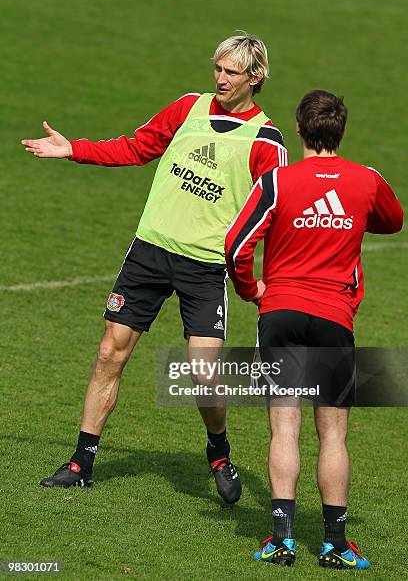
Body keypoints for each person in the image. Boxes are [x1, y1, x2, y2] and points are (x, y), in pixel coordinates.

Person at [21, 33, 288, 503]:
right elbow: (138, 146)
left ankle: (218, 450)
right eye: (218, 68)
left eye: (231, 71)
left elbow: (275, 211)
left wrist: (265, 275)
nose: (220, 78)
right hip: (150, 251)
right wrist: (74, 150)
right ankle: (82, 461)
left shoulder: (266, 140)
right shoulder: (188, 107)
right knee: (109, 353)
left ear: (256, 76)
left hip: (205, 266)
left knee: (203, 373)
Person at [225, 89, 403, 566]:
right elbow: (394, 220)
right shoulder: (367, 181)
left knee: (284, 427)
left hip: (279, 312)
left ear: (299, 130)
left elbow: (236, 245)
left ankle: (281, 539)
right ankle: (335, 545)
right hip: (334, 318)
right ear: (340, 132)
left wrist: (251, 290)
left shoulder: (276, 181)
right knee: (334, 435)